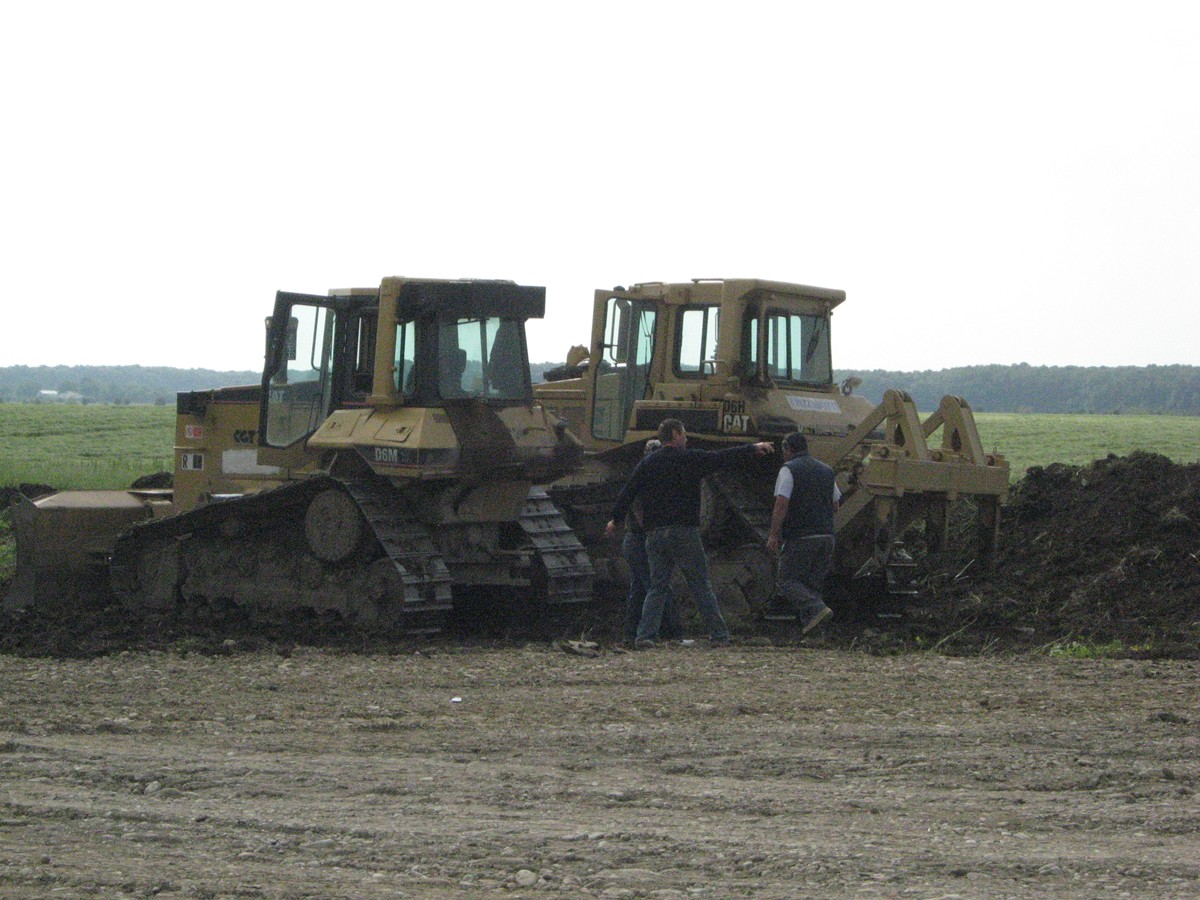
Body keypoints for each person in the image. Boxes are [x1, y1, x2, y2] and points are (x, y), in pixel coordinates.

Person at [606, 419, 774, 648]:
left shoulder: (647, 463)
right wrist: (752, 448)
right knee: (700, 584)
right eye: (683, 434)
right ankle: (719, 634)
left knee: (657, 586)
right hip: (684, 531)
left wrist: (615, 519)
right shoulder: (690, 459)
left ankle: (645, 636)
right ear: (675, 434)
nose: (686, 438)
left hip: (655, 534)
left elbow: (628, 491)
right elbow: (721, 457)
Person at [765, 431, 840, 633]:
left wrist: (773, 534)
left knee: (786, 580)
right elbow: (835, 503)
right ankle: (815, 630)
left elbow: (781, 504)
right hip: (826, 537)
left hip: (801, 536)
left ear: (788, 449)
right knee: (812, 585)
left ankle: (817, 609)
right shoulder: (826, 470)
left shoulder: (789, 470)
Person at [621, 439, 683, 645]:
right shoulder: (644, 481)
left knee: (639, 589)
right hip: (641, 539)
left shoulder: (643, 477)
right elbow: (641, 516)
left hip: (636, 539)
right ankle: (666, 633)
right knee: (656, 587)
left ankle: (631, 633)